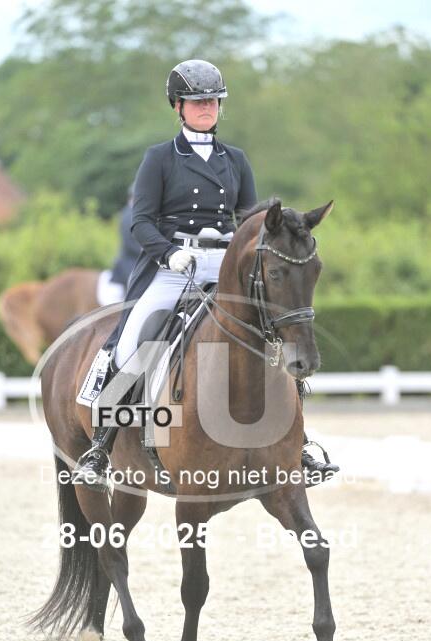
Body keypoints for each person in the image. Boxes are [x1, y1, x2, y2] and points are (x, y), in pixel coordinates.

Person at [74, 59, 339, 487]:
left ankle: (299, 443)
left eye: (213, 101)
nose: (206, 108)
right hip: (174, 268)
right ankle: (101, 445)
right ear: (178, 106)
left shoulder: (235, 160)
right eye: (197, 102)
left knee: (274, 337)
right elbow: (141, 221)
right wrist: (168, 253)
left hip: (228, 268)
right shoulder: (160, 158)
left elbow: (252, 222)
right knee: (134, 339)